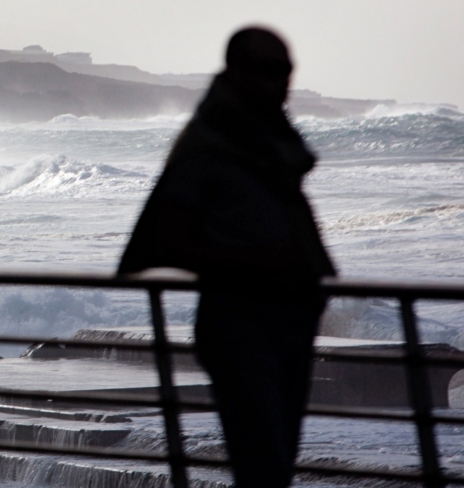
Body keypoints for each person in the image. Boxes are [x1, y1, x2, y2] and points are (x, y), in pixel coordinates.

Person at [118, 27, 336, 488]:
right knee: (262, 467)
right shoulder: (208, 145)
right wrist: (252, 261)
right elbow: (162, 238)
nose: (283, 82)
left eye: (287, 70)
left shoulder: (266, 139)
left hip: (288, 321)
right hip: (241, 324)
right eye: (270, 71)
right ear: (237, 73)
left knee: (275, 467)